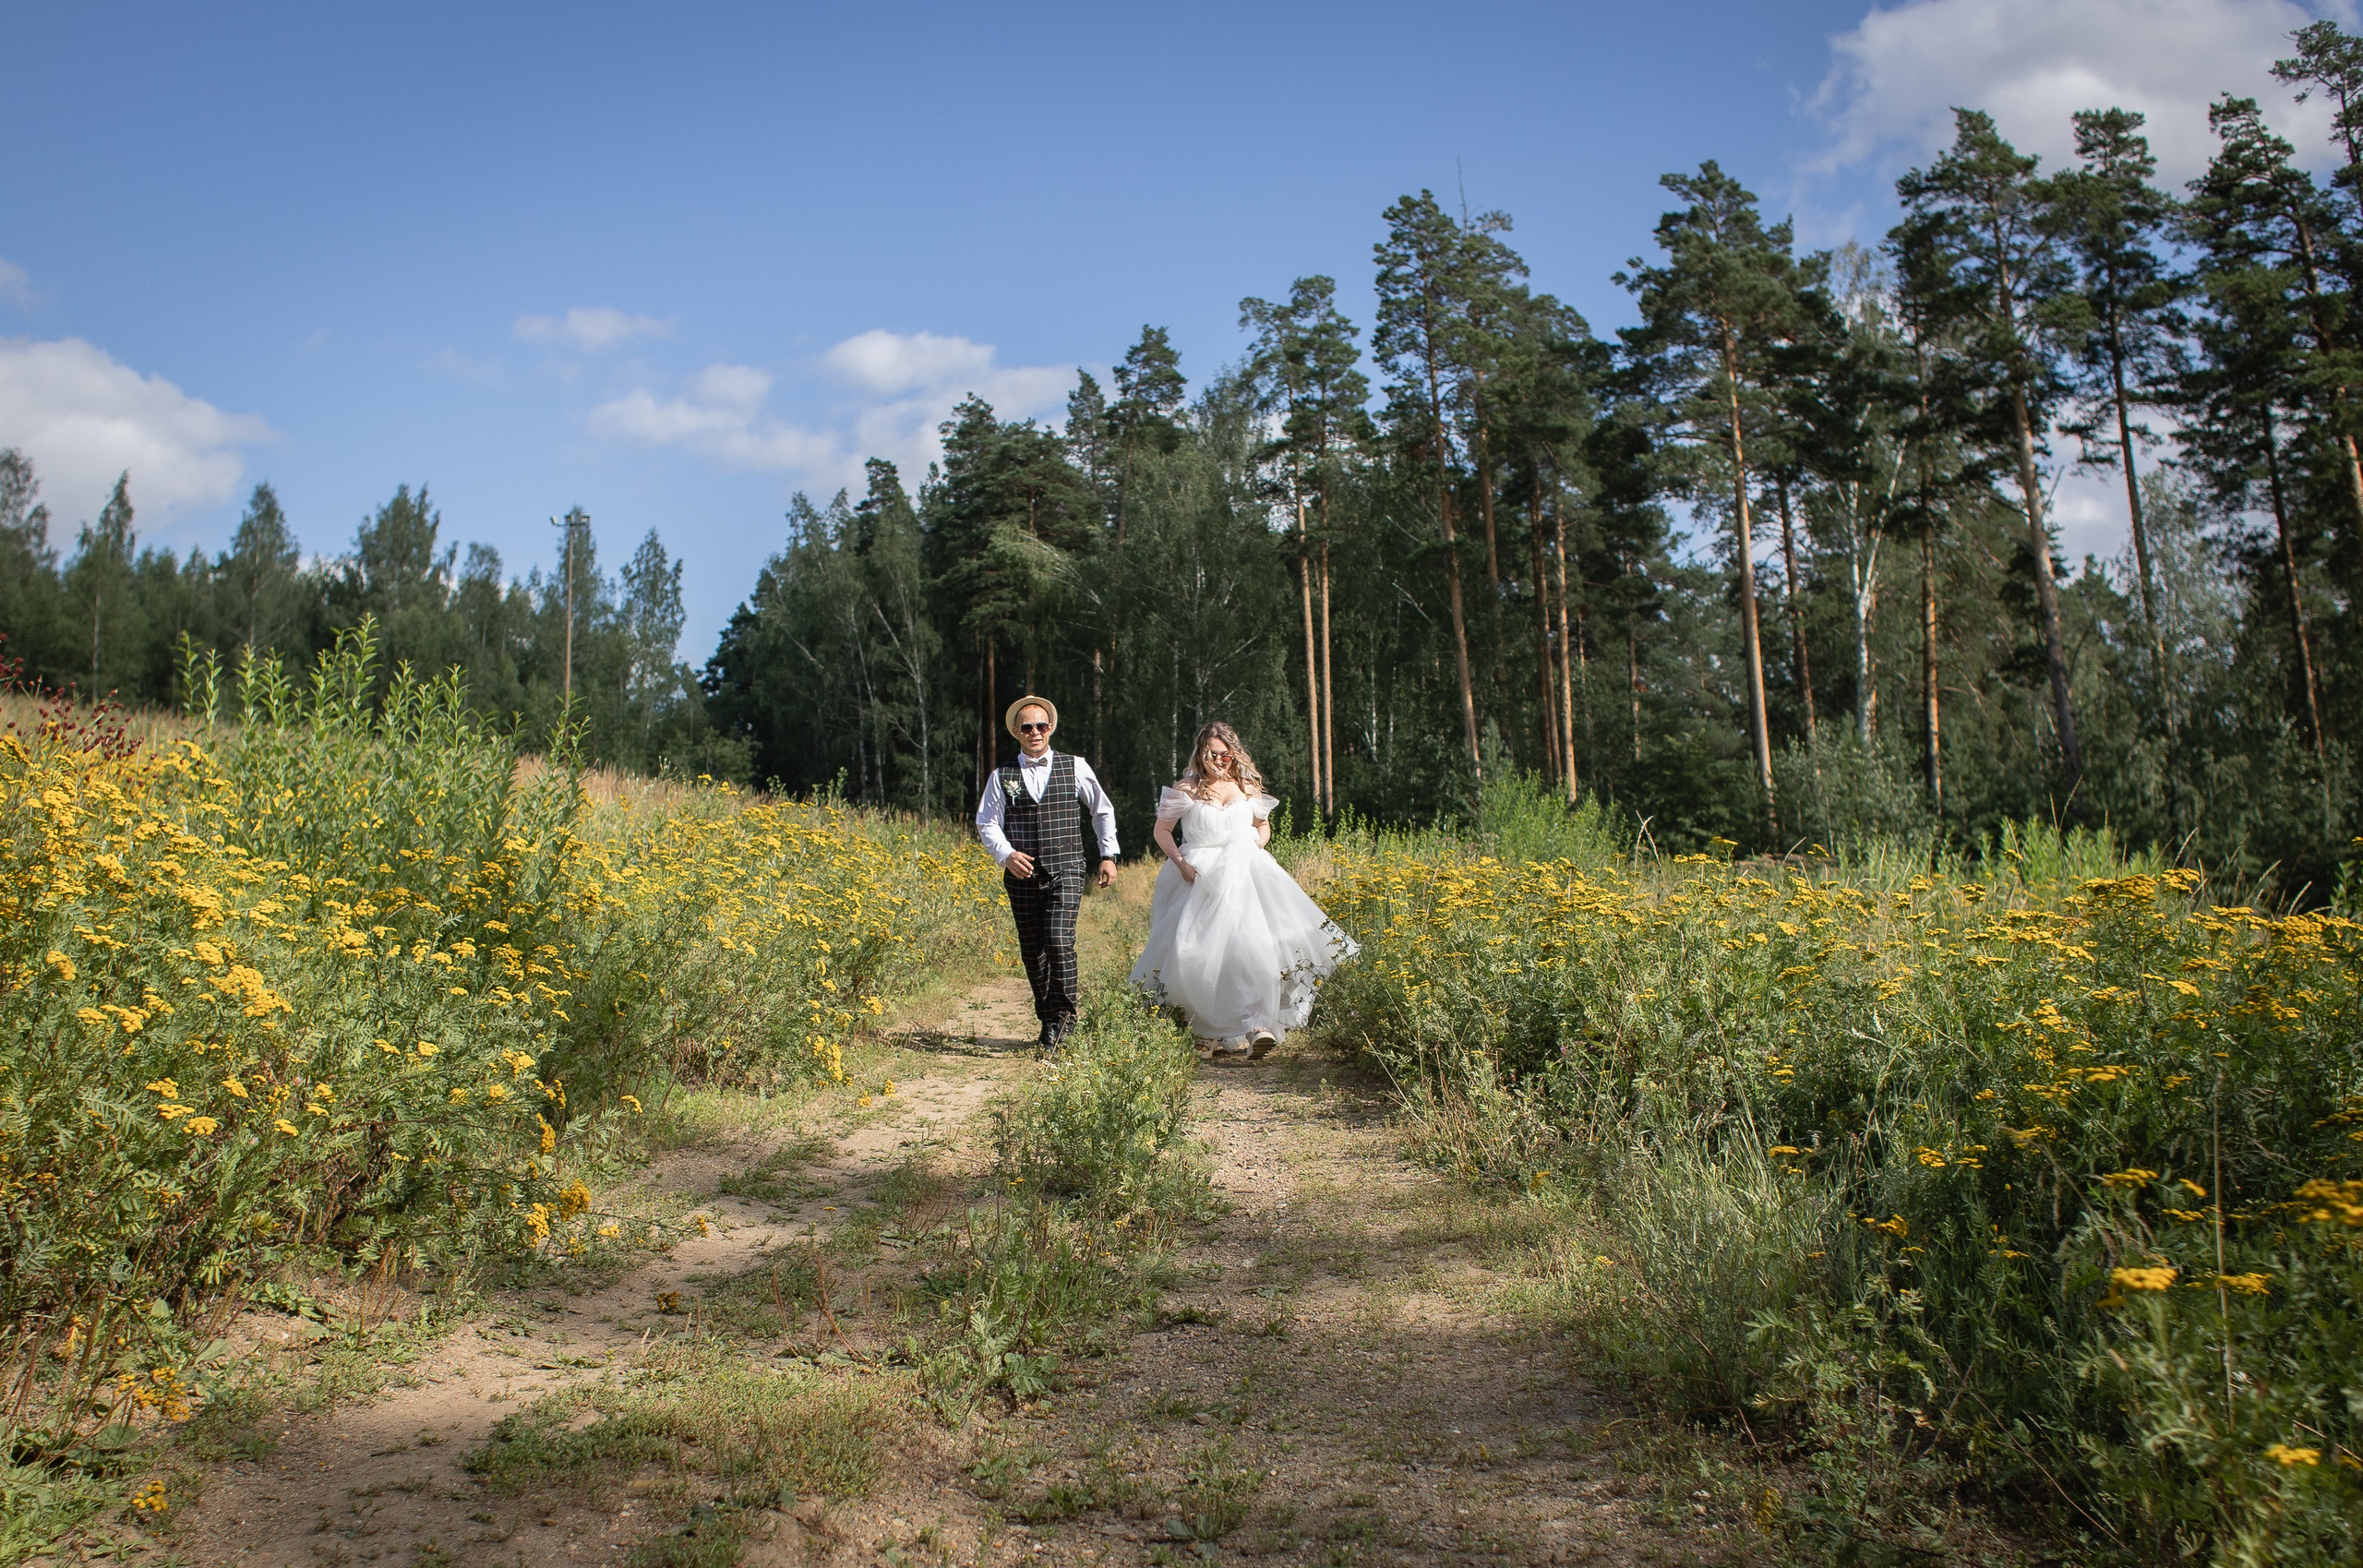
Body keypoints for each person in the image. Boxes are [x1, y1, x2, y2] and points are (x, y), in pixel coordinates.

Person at [1129, 721, 1358, 1064]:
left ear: (1233, 754)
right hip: (1199, 878)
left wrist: (1253, 848)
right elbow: (1162, 830)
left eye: (1225, 754)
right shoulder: (1187, 788)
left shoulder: (1247, 787)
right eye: (1212, 754)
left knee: (1249, 949)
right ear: (1200, 753)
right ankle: (1203, 1031)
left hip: (1243, 879)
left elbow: (1262, 828)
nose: (1219, 761)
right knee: (1196, 954)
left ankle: (1255, 1028)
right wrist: (1181, 864)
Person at [975, 695, 1118, 1054]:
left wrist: (1108, 854)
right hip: (1021, 876)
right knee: (1033, 951)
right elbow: (987, 822)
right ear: (1016, 732)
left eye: (1041, 725)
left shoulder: (1076, 766)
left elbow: (1102, 811)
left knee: (1058, 939)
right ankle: (1048, 1018)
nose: (1035, 732)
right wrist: (1006, 854)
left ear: (1050, 728)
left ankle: (1066, 1019)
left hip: (1067, 867)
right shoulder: (1001, 775)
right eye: (1027, 727)